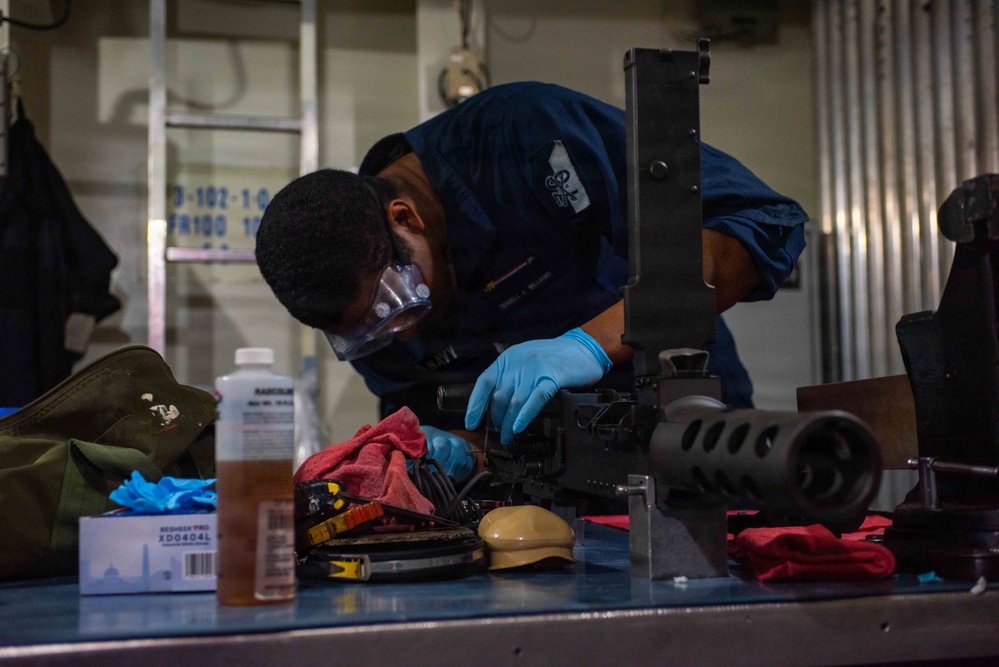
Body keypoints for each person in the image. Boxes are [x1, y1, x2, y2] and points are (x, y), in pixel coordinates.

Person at [255, 81, 808, 483]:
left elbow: (760, 225)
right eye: (370, 335)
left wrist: (591, 343)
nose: (398, 337)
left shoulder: (522, 138)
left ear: (406, 219)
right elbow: (434, 416)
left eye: (396, 307)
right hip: (550, 502)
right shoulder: (365, 305)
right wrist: (452, 449)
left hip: (700, 449)